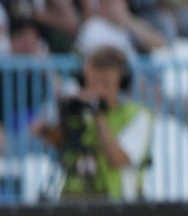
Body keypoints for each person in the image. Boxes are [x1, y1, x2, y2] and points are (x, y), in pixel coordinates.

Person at [32, 45, 152, 201]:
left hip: (116, 202)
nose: (96, 89)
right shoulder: (80, 111)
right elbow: (65, 145)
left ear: (121, 82)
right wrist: (47, 130)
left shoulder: (138, 116)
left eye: (105, 83)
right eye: (91, 82)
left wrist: (97, 113)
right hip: (72, 198)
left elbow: (117, 160)